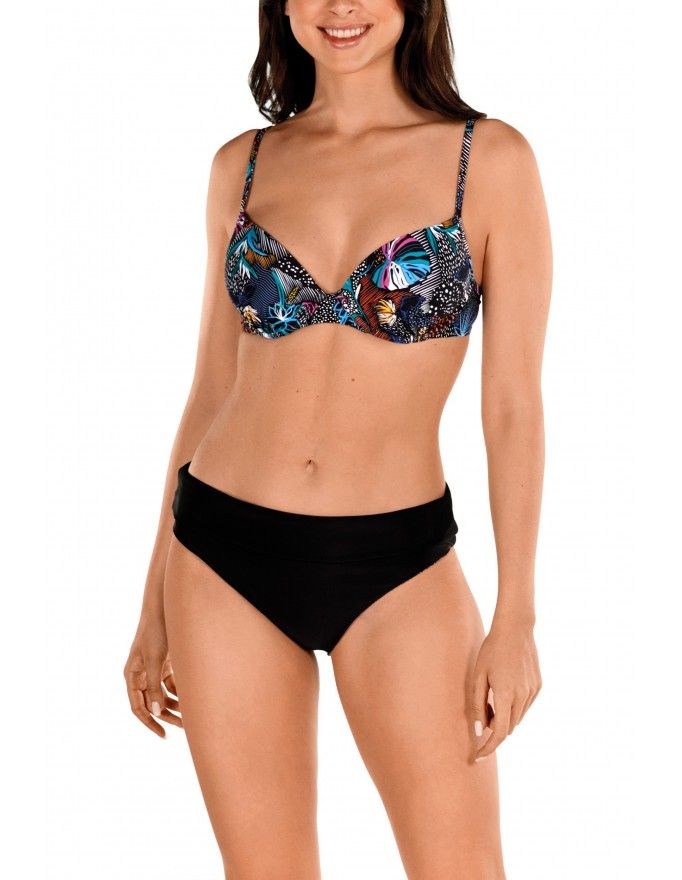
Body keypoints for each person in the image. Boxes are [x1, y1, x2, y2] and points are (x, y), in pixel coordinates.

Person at [124, 1, 551, 877]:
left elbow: (512, 406)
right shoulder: (242, 166)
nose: (340, 7)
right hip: (221, 555)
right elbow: (211, 389)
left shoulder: (489, 161)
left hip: (398, 566)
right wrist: (152, 600)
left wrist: (516, 614)